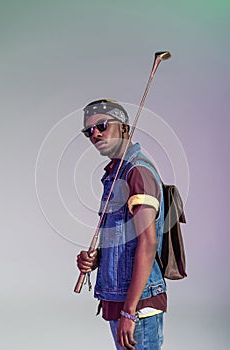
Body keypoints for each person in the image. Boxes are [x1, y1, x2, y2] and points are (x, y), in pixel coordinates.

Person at [76, 99, 167, 350]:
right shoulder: (115, 173)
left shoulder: (137, 172)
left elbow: (148, 243)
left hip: (136, 306)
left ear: (125, 128)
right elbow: (124, 240)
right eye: (89, 131)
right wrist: (97, 260)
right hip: (118, 300)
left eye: (102, 125)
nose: (95, 134)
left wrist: (129, 313)